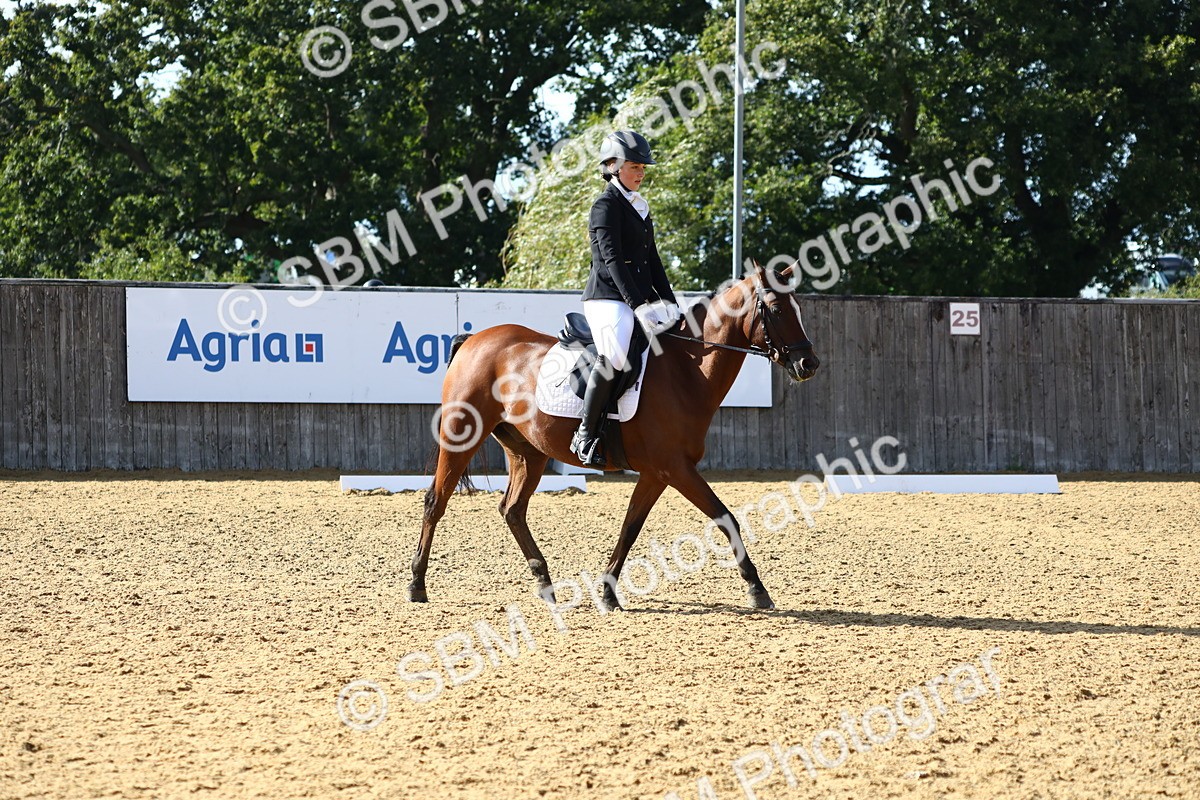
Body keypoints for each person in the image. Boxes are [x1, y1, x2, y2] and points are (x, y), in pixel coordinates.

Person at [570, 130, 682, 467]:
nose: (642, 173)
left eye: (643, 167)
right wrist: (638, 305)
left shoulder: (639, 207)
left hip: (636, 298)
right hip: (606, 297)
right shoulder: (605, 207)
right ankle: (586, 434)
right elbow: (612, 261)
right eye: (635, 166)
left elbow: (653, 261)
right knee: (616, 354)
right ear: (613, 166)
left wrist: (671, 302)